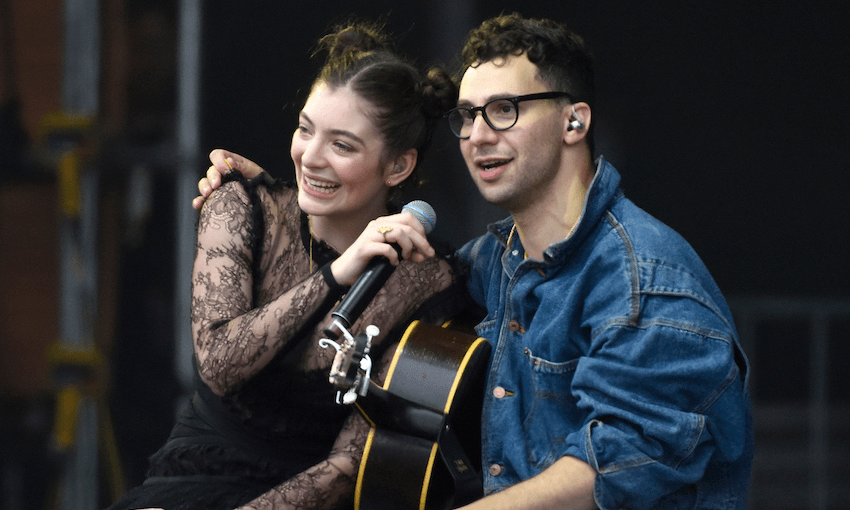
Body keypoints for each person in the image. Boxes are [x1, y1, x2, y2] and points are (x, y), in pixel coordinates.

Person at [196, 13, 754, 510]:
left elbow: (610, 468)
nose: (478, 135)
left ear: (574, 123)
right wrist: (276, 196)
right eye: (467, 116)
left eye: (504, 111)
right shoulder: (490, 262)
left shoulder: (644, 280)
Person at [108, 20, 464, 510]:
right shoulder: (240, 207)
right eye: (304, 129)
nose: (310, 157)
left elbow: (352, 463)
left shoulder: (427, 282)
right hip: (193, 483)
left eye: (342, 145)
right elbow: (218, 364)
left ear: (398, 166)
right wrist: (338, 274)